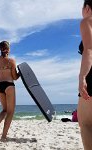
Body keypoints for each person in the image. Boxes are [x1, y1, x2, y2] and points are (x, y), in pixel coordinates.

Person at [0, 41, 19, 142]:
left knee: (4, 110)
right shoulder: (11, 61)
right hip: (9, 85)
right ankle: (3, 136)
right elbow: (14, 77)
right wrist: (20, 74)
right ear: (8, 49)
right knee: (10, 112)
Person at [77, 1, 92, 149]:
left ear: (87, 8)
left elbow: (89, 50)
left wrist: (82, 77)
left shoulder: (88, 20)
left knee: (86, 123)